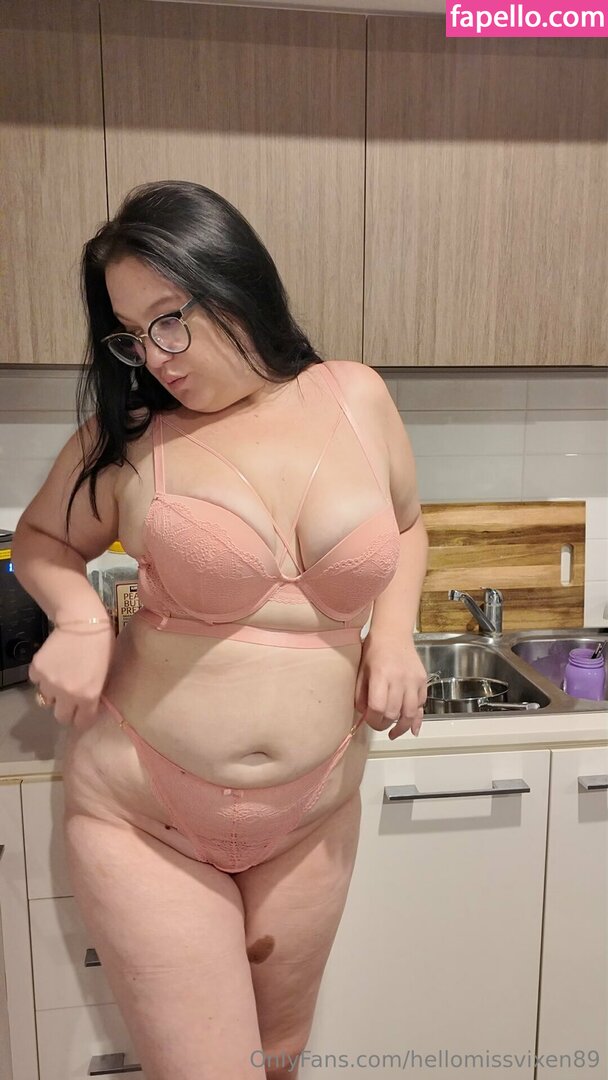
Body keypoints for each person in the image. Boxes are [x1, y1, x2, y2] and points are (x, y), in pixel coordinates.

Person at [11, 180, 429, 1080]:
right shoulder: (130, 438)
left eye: (170, 320)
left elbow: (405, 525)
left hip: (312, 817)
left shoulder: (355, 396)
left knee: (277, 1062)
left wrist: (395, 636)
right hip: (146, 818)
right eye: (131, 334)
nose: (154, 357)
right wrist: (78, 618)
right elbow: (40, 539)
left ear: (236, 283)